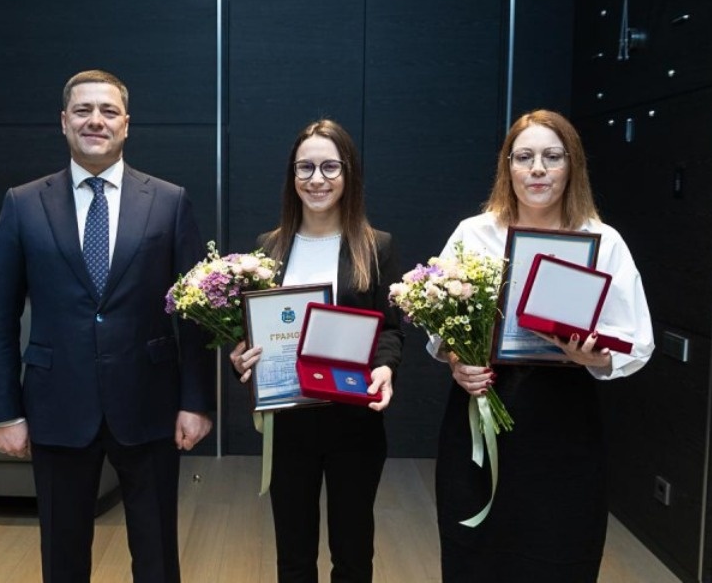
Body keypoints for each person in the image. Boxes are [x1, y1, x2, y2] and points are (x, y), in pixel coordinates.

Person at [0, 69, 214, 583]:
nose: (96, 120)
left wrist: (196, 401)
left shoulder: (169, 201)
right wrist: (3, 411)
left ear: (126, 124)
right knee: (62, 558)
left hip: (149, 402)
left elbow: (195, 315)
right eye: (83, 110)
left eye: (108, 111)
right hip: (56, 404)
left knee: (156, 556)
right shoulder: (23, 203)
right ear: (64, 121)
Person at [429, 109, 655, 582]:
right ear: (506, 166)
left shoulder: (601, 239)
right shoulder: (474, 234)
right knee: (476, 554)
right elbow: (439, 325)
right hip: (482, 412)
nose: (537, 169)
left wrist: (594, 357)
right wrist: (457, 360)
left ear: (572, 167)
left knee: (559, 553)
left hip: (564, 422)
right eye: (524, 157)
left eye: (552, 157)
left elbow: (636, 340)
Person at [229, 119, 404, 582]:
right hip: (289, 422)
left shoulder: (375, 246)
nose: (317, 179)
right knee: (293, 555)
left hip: (355, 420)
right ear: (292, 176)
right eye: (305, 168)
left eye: (330, 166)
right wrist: (241, 354)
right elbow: (254, 329)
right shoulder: (268, 249)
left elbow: (390, 328)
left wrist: (385, 367)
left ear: (349, 175)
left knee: (352, 554)